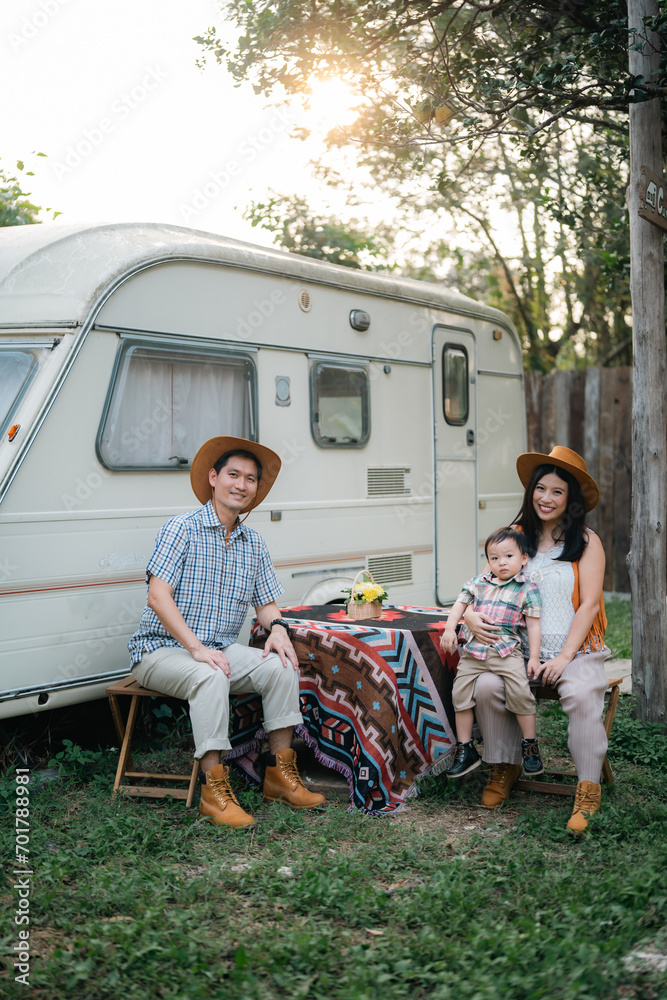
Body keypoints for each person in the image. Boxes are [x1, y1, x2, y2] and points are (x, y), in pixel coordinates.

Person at [128, 435, 325, 829]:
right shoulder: (181, 529)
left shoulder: (253, 542)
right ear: (214, 479)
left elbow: (266, 604)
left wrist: (280, 629)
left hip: (216, 649)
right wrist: (197, 649)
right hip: (159, 652)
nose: (241, 484)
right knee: (210, 672)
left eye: (250, 479)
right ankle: (213, 793)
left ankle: (279, 776)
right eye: (233, 475)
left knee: (281, 665)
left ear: (255, 490)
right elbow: (157, 597)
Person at [465, 446, 608, 834]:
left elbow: (590, 605)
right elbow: (482, 587)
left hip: (574, 650)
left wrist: (563, 658)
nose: (546, 498)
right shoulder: (517, 539)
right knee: (489, 684)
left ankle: (588, 788)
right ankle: (505, 766)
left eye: (557, 491)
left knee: (580, 693)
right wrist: (470, 615)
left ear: (571, 499)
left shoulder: (588, 542)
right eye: (540, 488)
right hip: (516, 651)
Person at [440, 527, 543, 779]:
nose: (502, 562)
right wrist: (449, 630)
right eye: (494, 558)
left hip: (506, 653)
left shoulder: (527, 588)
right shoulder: (477, 583)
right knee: (459, 694)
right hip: (474, 653)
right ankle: (465, 750)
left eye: (508, 556)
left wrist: (535, 657)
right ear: (488, 561)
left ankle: (530, 746)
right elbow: (458, 606)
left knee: (520, 693)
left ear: (524, 558)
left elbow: (533, 625)